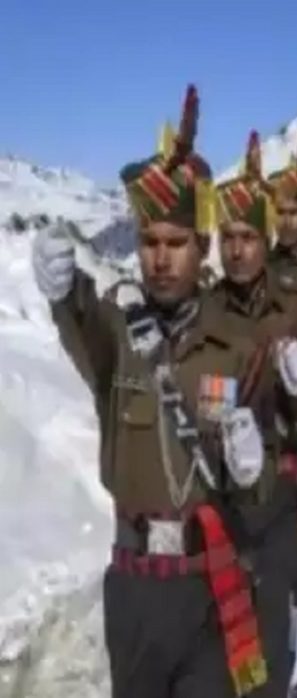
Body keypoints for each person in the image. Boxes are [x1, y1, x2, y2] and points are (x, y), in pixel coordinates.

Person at [32, 85, 274, 697]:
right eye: (149, 243)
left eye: (176, 244)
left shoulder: (237, 346)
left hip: (209, 586)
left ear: (202, 248)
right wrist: (62, 290)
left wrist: (254, 470)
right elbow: (82, 318)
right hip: (136, 589)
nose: (161, 259)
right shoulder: (117, 334)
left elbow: (265, 492)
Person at [213, 131, 297, 698]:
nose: (289, 221)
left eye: (296, 212)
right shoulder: (248, 279)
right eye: (281, 212)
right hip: (256, 438)